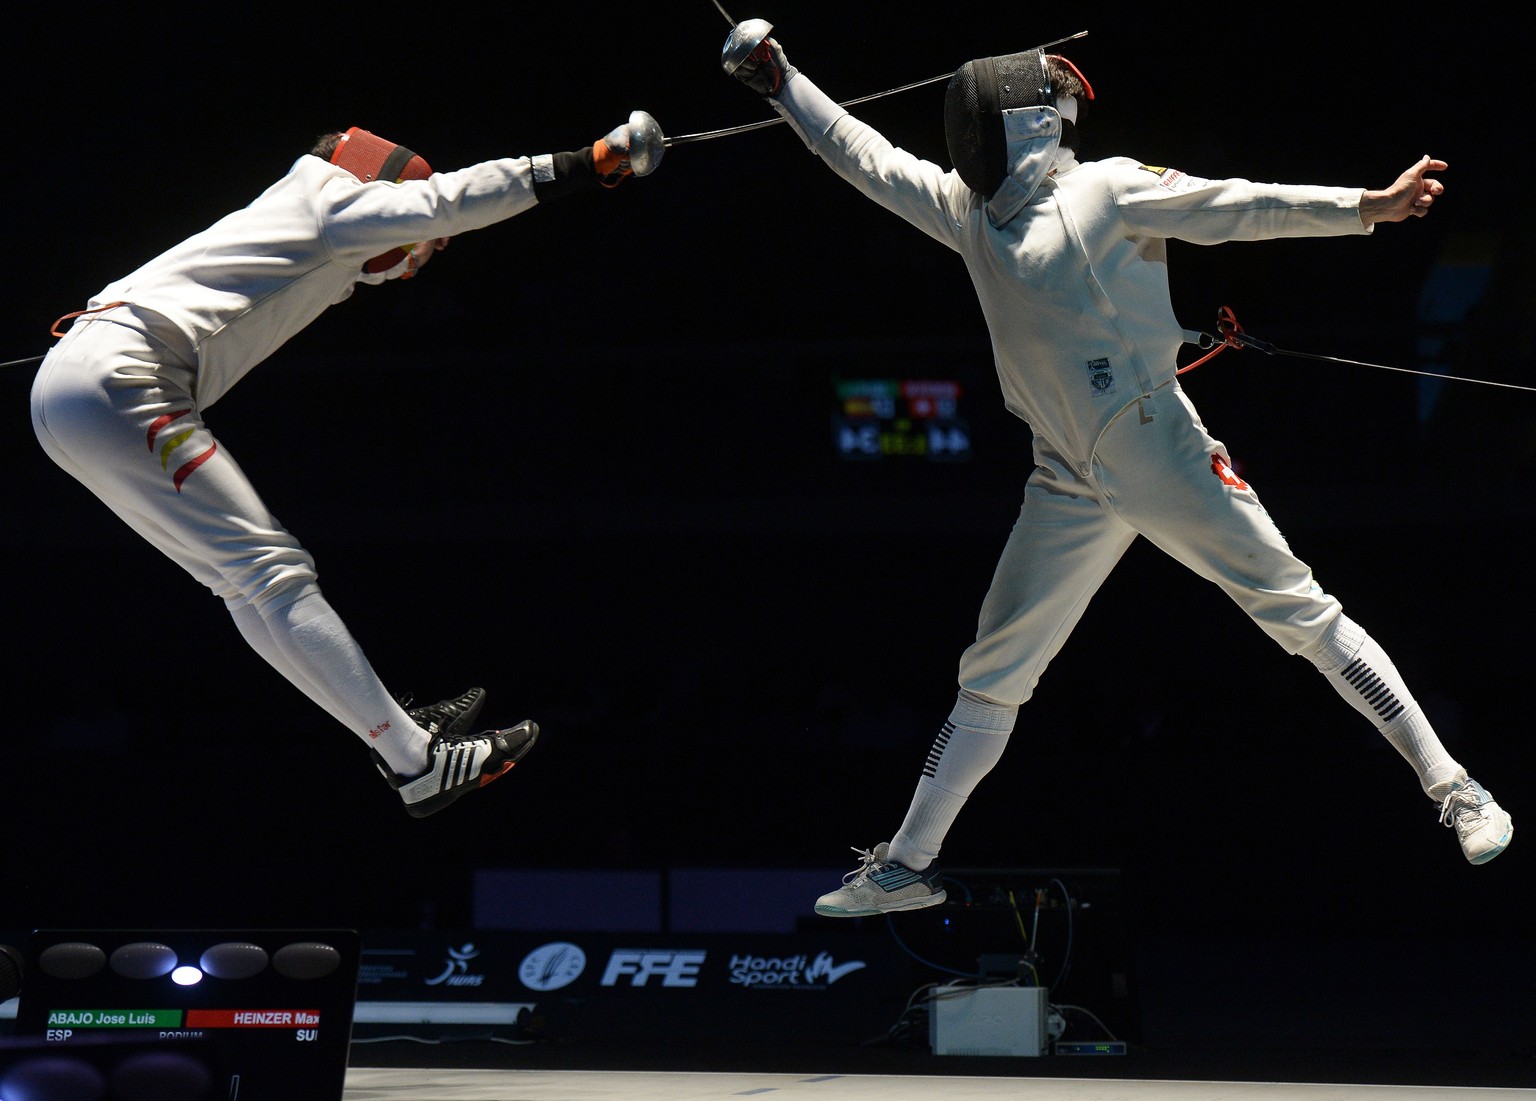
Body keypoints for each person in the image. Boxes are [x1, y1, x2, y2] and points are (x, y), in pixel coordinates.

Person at [721, 27, 1512, 916]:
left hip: (1161, 451)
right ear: (1030, 121)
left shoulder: (1106, 188)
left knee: (1302, 615)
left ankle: (1459, 792)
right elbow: (860, 153)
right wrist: (782, 81)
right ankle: (907, 865)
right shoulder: (967, 215)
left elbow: (1237, 206)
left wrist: (1368, 206)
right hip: (1063, 477)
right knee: (993, 671)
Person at [31, 113, 666, 818]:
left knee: (246, 583)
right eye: (419, 242)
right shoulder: (334, 202)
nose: (422, 255)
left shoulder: (299, 223)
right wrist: (586, 162)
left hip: (69, 393)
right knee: (269, 573)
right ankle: (417, 760)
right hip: (124, 382)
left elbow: (389, 246)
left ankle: (401, 735)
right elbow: (452, 197)